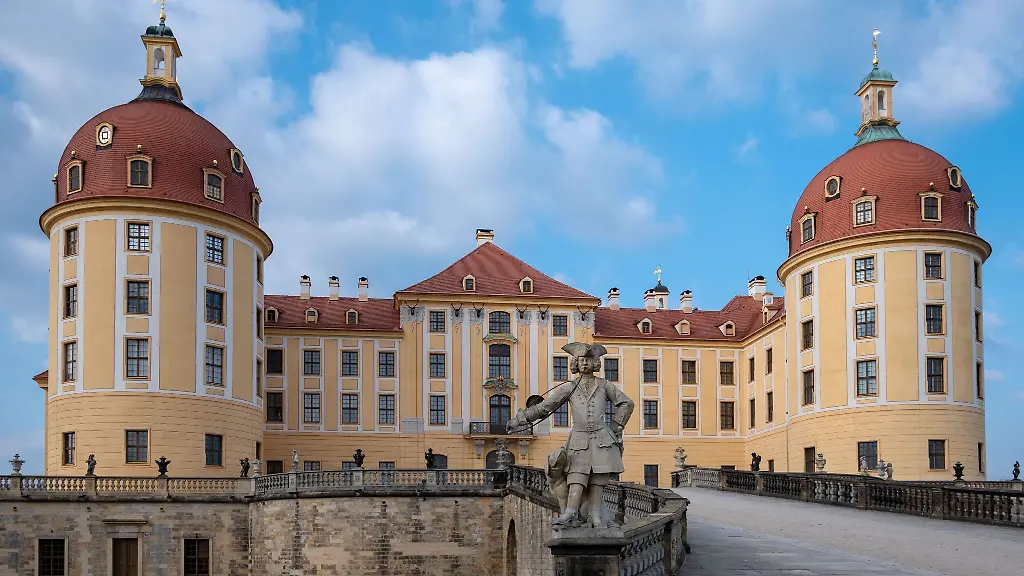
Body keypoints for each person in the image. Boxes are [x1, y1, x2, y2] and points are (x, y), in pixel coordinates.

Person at [507, 342, 634, 528]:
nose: (585, 363)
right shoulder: (569, 387)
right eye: (581, 360)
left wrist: (615, 427)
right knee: (576, 475)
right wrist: (520, 420)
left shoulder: (604, 385)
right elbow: (545, 407)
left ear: (595, 362)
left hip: (601, 437)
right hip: (579, 437)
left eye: (588, 360)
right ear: (575, 363)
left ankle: (596, 515)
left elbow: (627, 403)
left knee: (598, 478)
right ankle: (570, 512)